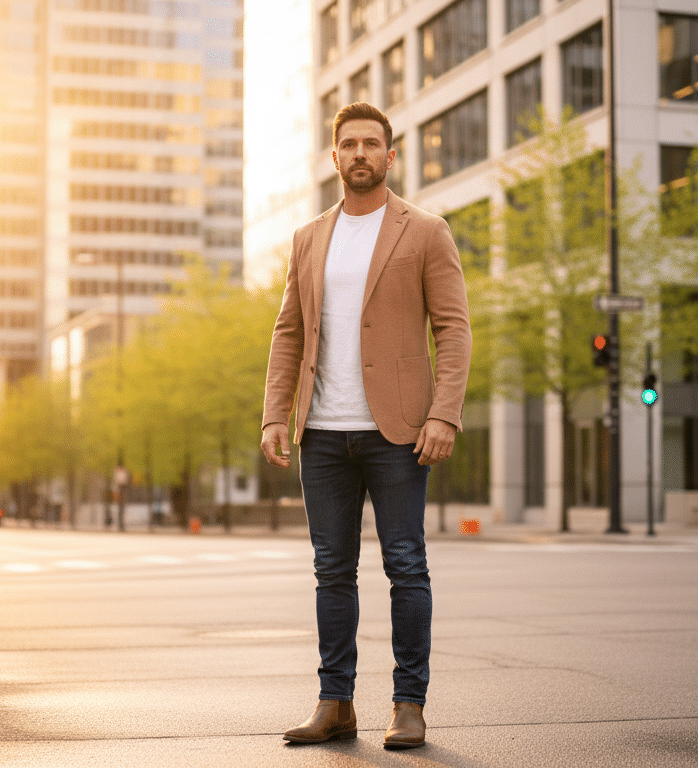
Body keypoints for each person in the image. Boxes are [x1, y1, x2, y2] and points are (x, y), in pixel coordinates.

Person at [260, 102, 471, 750]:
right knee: (331, 571)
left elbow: (454, 328)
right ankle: (335, 702)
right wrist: (275, 413)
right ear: (334, 157)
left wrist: (444, 413)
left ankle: (409, 704)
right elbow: (289, 331)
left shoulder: (426, 231)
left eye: (371, 144)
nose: (359, 154)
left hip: (398, 431)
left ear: (390, 155)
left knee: (406, 565)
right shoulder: (308, 237)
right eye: (348, 144)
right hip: (323, 432)